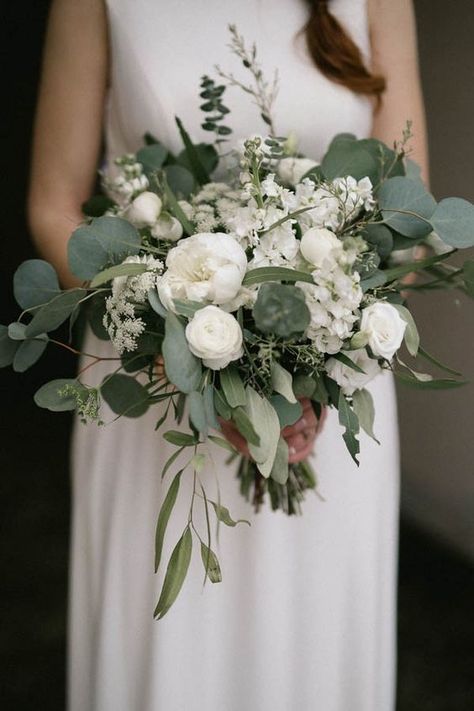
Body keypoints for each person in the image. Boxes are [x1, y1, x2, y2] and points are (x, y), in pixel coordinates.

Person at [28, 1, 429, 709]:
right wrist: (174, 340)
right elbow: (55, 206)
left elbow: (413, 217)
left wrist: (314, 356)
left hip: (326, 407)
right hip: (152, 400)